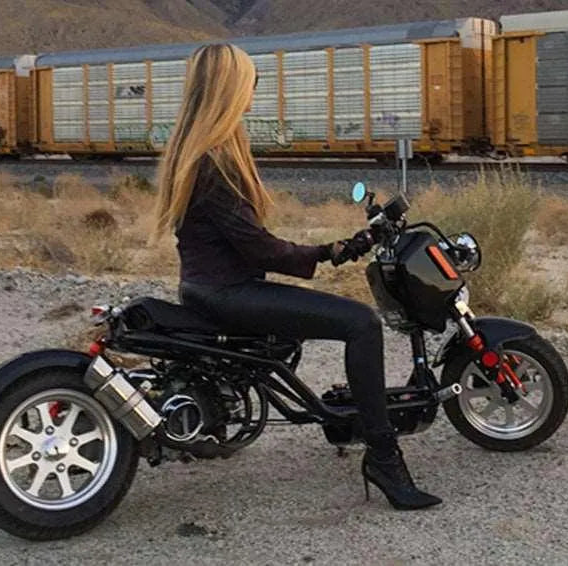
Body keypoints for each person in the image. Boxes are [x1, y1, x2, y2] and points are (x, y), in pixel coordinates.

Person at [153, 44, 440, 511]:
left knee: (342, 322)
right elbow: (259, 248)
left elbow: (247, 242)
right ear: (229, 89)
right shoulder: (214, 162)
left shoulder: (203, 152)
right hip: (228, 295)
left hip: (211, 288)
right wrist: (329, 252)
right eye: (249, 82)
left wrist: (334, 250)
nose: (254, 91)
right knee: (361, 324)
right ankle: (385, 460)